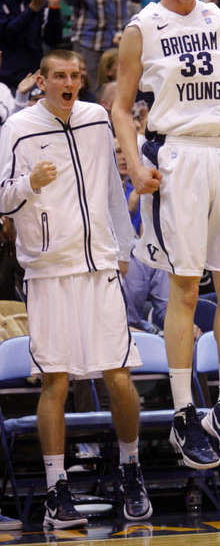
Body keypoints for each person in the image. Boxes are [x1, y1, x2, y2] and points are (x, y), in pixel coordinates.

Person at [112, 0, 220, 470]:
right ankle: (182, 413)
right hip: (178, 160)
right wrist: (135, 163)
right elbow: (122, 108)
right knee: (187, 287)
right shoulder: (141, 28)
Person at [0, 49, 152, 528]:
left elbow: (111, 186)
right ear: (41, 81)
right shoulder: (18, 128)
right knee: (56, 381)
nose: (70, 82)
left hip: (100, 264)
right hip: (48, 270)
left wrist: (123, 247)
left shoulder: (95, 119)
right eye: (60, 76)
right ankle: (55, 490)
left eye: (75, 76)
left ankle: (132, 471)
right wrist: (28, 182)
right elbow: (3, 194)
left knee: (120, 376)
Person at [0, 0, 63, 91]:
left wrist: (54, 6)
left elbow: (53, 40)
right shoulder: (33, 1)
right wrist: (33, 8)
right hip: (4, 83)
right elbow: (6, 35)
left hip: (34, 79)